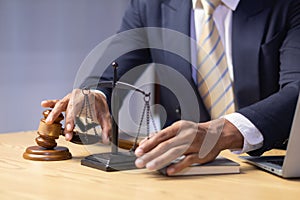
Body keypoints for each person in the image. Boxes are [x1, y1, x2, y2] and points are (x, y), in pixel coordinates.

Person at [42, 0, 300, 175]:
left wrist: (223, 132)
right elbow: (115, 62)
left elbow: (296, 89)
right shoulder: (150, 4)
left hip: (272, 168)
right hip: (184, 176)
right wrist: (95, 93)